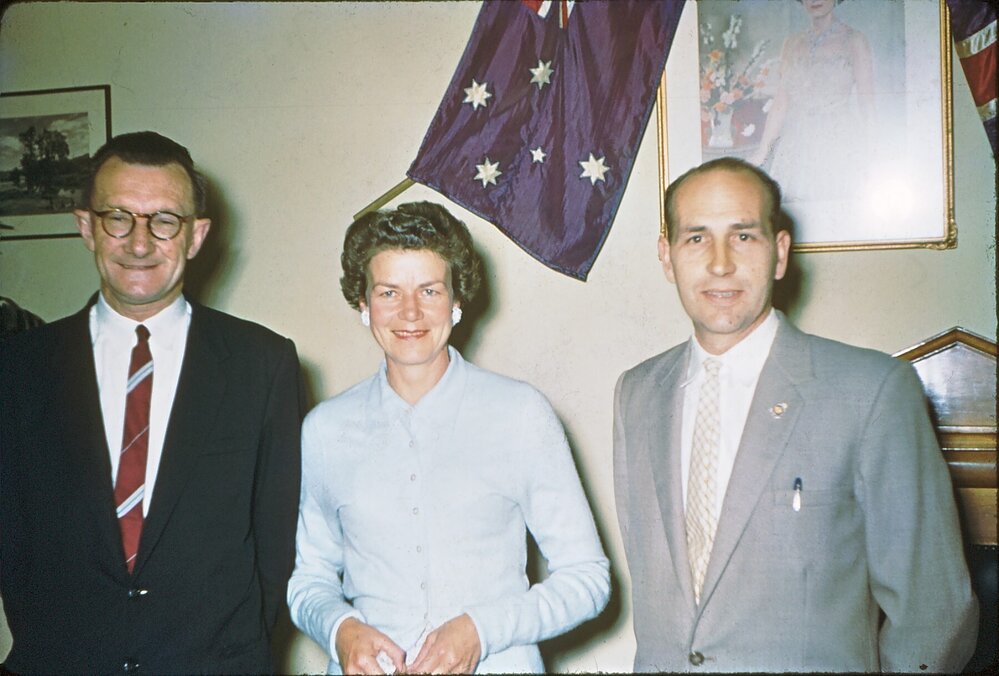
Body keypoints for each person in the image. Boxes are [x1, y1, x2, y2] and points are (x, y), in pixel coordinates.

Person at [613, 156, 978, 672]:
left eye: (744, 236)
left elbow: (934, 611)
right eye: (696, 238)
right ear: (667, 257)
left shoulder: (871, 392)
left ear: (780, 253)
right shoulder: (637, 394)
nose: (720, 263)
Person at [0, 131, 304, 673]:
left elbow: (275, 544)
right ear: (86, 227)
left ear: (196, 235)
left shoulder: (263, 364)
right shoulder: (18, 369)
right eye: (118, 217)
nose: (139, 244)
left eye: (165, 220)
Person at [288, 202, 610, 674]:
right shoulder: (324, 429)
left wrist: (481, 629)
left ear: (456, 301)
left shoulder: (519, 414)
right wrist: (340, 630)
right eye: (389, 292)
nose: (410, 312)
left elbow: (588, 579)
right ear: (363, 303)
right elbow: (309, 580)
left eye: (430, 290)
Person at [748, 0, 875, 240]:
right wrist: (763, 150)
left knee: (838, 218)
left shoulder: (854, 40)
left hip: (840, 141)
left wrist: (871, 151)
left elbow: (868, 103)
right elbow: (781, 102)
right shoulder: (792, 43)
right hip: (797, 143)